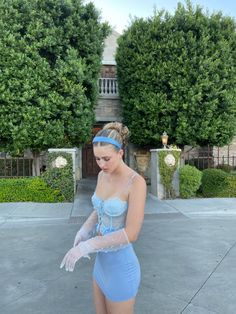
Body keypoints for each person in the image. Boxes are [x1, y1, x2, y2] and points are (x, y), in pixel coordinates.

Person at [60, 122, 146, 314]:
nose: (101, 164)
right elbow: (100, 209)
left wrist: (88, 246)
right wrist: (84, 231)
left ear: (120, 153)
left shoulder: (136, 183)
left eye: (106, 159)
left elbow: (131, 233)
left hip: (122, 268)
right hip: (101, 266)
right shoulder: (101, 176)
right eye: (97, 159)